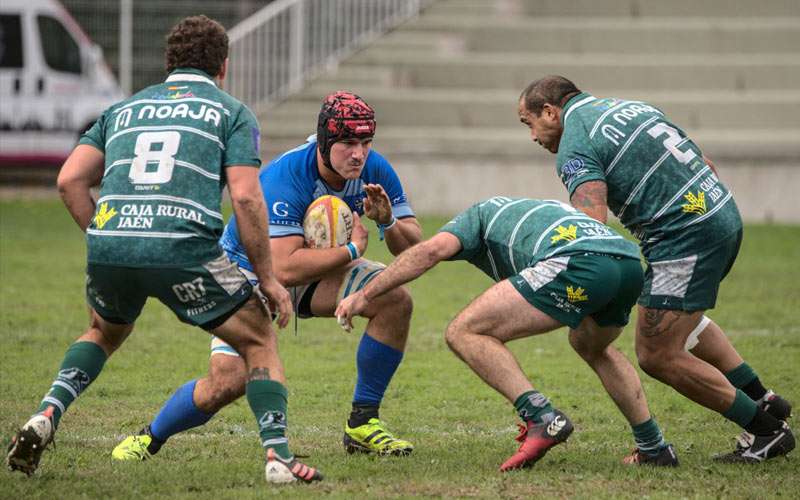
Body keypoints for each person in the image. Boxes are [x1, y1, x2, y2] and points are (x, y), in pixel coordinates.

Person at [6, 15, 323, 484]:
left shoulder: (123, 109)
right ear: (224, 66)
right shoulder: (230, 112)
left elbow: (69, 179)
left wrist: (106, 235)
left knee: (103, 332)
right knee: (258, 339)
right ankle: (278, 458)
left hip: (112, 242)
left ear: (168, 62)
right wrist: (270, 280)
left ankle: (46, 414)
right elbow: (246, 196)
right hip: (182, 245)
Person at [111, 90, 423, 461]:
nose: (358, 153)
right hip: (245, 272)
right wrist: (354, 250)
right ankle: (150, 437)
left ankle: (362, 424)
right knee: (227, 382)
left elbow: (412, 247)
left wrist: (387, 220)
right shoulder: (286, 176)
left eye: (366, 142)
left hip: (313, 269)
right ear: (324, 140)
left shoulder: (374, 169)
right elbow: (283, 268)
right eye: (348, 143)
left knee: (394, 299)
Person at [517, 75, 794, 463]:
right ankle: (765, 399)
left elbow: (592, 222)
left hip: (684, 239)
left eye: (528, 123)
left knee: (656, 353)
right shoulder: (631, 107)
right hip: (721, 213)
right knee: (682, 319)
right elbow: (705, 163)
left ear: (550, 111)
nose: (532, 136)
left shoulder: (576, 143)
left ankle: (766, 431)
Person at [337, 196, 679, 470]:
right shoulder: (518, 212)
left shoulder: (477, 216)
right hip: (628, 264)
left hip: (579, 262)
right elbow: (421, 252)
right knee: (592, 346)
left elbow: (428, 251)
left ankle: (541, 416)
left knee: (464, 331)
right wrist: (389, 221)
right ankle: (653, 446)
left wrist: (365, 294)